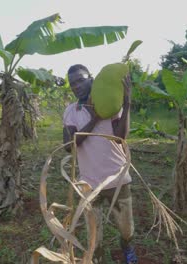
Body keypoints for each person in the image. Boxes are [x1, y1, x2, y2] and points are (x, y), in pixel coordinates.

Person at [62, 64, 137, 264]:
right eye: (72, 84)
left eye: (80, 80)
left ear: (91, 79)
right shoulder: (72, 111)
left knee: (126, 228)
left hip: (117, 178)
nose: (76, 86)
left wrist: (127, 102)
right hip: (89, 183)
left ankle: (128, 249)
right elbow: (69, 145)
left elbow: (120, 137)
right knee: (93, 230)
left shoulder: (111, 106)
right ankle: (97, 257)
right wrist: (94, 120)